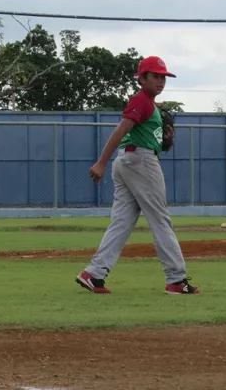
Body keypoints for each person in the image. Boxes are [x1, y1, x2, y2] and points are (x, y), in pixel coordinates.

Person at [77, 55, 199, 295]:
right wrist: (101, 162)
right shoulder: (142, 100)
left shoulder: (150, 105)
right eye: (155, 76)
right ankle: (176, 279)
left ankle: (94, 273)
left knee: (121, 222)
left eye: (163, 77)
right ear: (141, 79)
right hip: (140, 162)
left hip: (128, 162)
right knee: (160, 219)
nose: (161, 81)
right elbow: (122, 129)